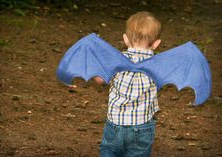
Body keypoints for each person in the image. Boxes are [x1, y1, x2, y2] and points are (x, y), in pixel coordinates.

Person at [69, 11, 161, 157]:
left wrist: (95, 64)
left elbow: (100, 80)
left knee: (110, 151)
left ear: (125, 39)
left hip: (115, 124)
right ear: (156, 44)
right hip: (142, 127)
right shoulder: (159, 64)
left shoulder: (115, 60)